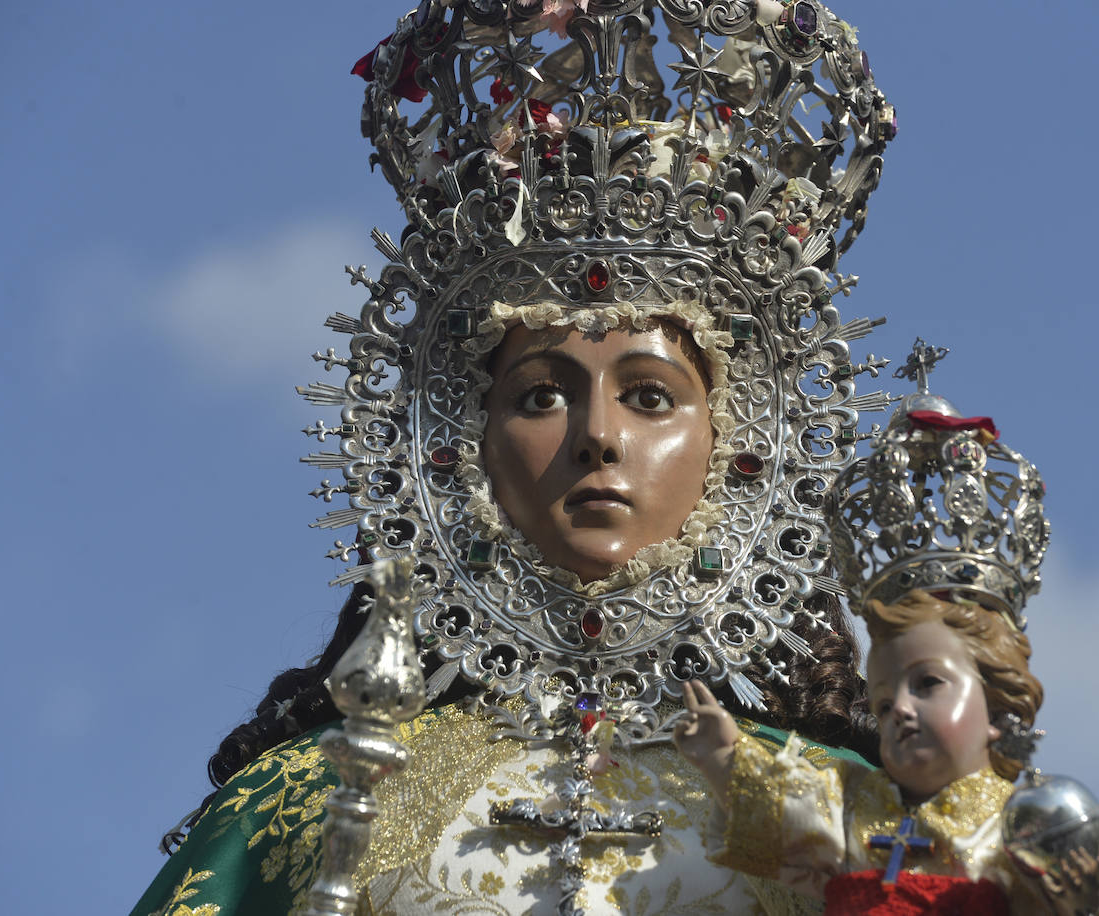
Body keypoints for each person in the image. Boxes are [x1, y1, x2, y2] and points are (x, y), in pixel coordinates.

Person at [131, 0, 902, 913]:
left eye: (650, 396)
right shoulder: (303, 805)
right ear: (462, 445)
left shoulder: (850, 825)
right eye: (541, 395)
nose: (598, 435)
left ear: (741, 446)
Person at [674, 590, 1099, 914]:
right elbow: (783, 817)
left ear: (995, 705)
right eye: (884, 704)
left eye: (928, 684)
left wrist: (1076, 903)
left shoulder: (1017, 825)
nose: (901, 710)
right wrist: (723, 756)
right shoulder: (852, 802)